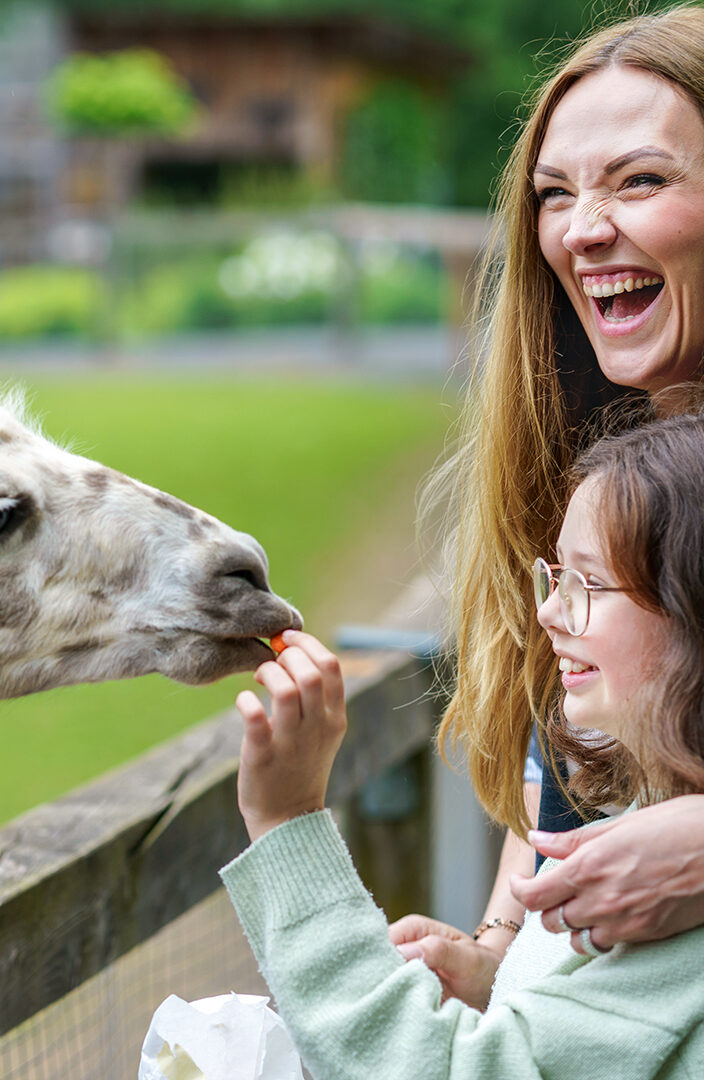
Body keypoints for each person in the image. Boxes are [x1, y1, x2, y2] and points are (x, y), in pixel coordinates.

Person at [221, 409, 704, 1078]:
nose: (548, 612)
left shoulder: (663, 901)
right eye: (555, 576)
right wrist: (496, 987)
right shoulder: (647, 840)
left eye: (588, 584)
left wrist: (288, 824)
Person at [393, 3, 704, 1008]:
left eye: (640, 180)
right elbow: (560, 756)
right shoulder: (585, 478)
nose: (582, 229)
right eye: (555, 194)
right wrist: (494, 951)